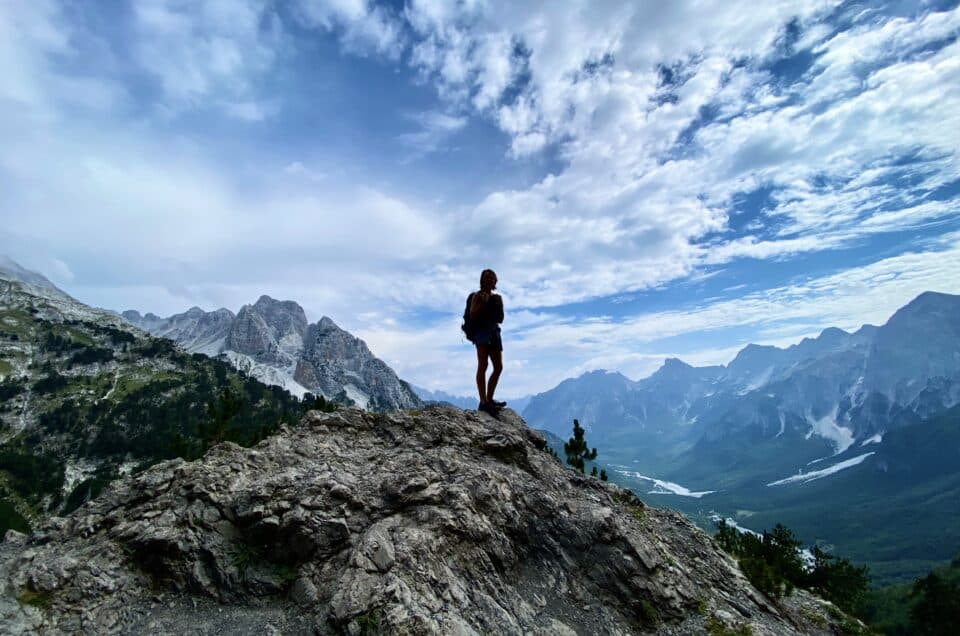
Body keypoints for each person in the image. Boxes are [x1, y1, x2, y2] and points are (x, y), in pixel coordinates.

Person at [469, 269, 505, 415]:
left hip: (494, 332)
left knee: (498, 367)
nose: (489, 280)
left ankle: (489, 399)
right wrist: (483, 303)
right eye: (487, 278)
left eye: (492, 278)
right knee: (483, 365)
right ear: (482, 280)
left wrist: (498, 305)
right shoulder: (477, 296)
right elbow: (472, 315)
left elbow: (501, 319)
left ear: (495, 281)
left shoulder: (497, 298)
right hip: (482, 333)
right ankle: (483, 402)